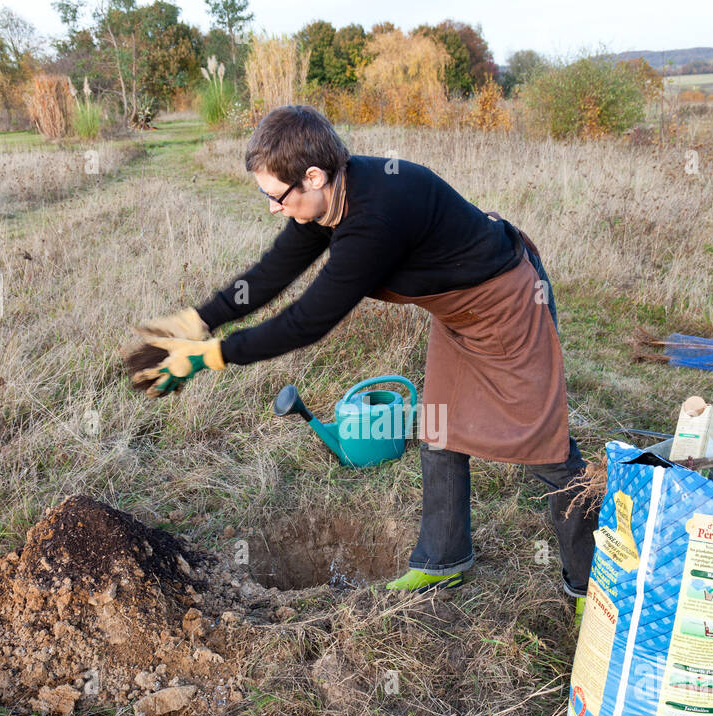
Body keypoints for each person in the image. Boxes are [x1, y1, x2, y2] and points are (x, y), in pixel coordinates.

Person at [128, 105, 596, 622]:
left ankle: (588, 587)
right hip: (456, 310)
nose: (272, 209)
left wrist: (212, 356)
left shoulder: (374, 217)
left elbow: (308, 321)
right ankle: (443, 560)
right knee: (438, 430)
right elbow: (272, 274)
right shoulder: (328, 202)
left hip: (506, 305)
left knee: (548, 453)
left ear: (314, 176)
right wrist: (199, 320)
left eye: (275, 197)